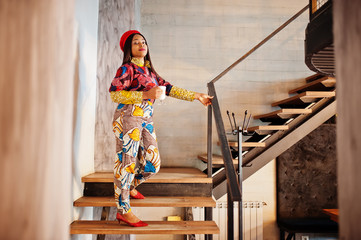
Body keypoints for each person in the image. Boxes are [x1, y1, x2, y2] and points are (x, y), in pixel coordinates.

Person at [109, 30, 213, 227]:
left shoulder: (150, 72)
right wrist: (145, 94)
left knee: (153, 164)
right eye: (136, 43)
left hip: (146, 119)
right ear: (128, 50)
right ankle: (123, 209)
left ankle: (130, 184)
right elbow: (115, 94)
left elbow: (171, 89)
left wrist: (196, 96)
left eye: (144, 41)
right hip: (128, 116)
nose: (142, 44)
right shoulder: (127, 69)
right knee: (127, 161)